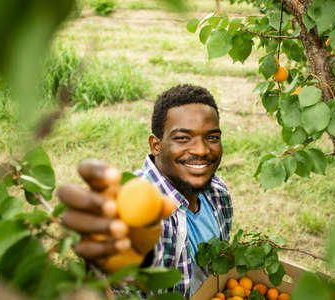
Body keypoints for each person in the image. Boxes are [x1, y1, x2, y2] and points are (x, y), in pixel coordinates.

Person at [58, 84, 233, 298]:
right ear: (156, 145)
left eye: (212, 137)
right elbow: (122, 281)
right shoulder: (136, 206)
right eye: (183, 138)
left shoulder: (217, 192)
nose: (202, 150)